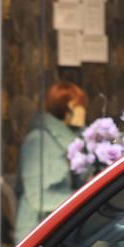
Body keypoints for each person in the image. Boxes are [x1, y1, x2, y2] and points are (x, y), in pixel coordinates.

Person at [14, 81, 87, 238]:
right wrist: (80, 198)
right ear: (67, 107)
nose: (83, 111)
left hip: (53, 230)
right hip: (34, 235)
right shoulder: (38, 141)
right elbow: (36, 198)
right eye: (79, 105)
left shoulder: (68, 141)